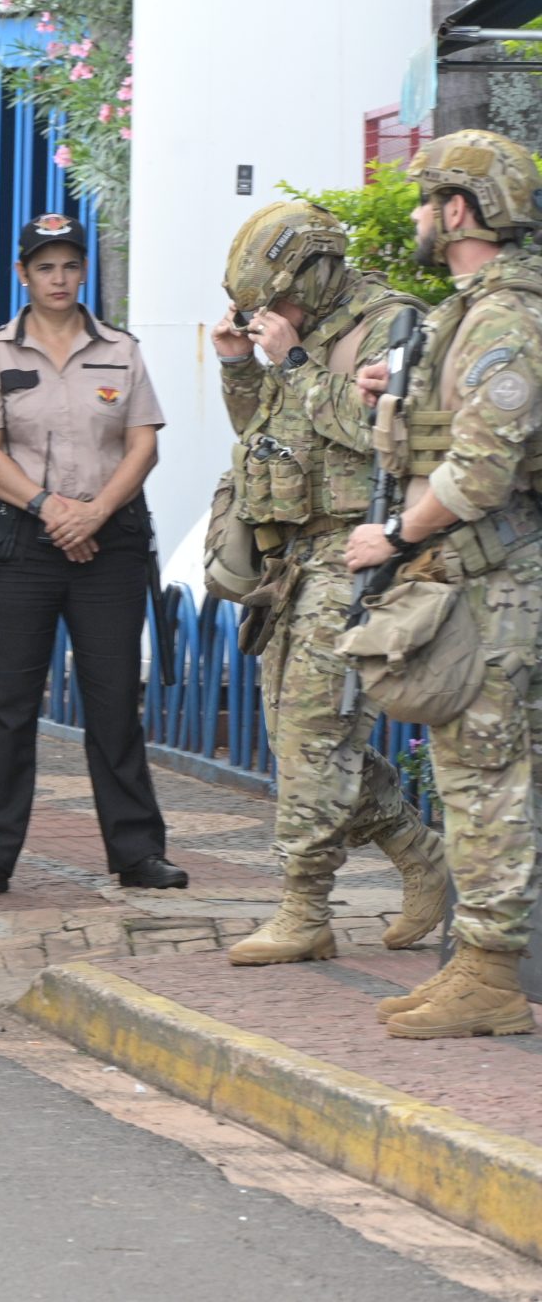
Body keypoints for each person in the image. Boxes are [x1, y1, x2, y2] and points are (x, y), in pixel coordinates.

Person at [344, 130, 542, 1041]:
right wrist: (398, 386)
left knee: (489, 774)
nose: (420, 215)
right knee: (469, 776)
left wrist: (390, 534)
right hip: (473, 577)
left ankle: (494, 972)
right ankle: (476, 959)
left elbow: (482, 469)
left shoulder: (505, 317)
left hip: (496, 582)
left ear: (459, 211)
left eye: (427, 200)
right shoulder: (468, 312)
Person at [214, 202, 448, 966]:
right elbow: (261, 430)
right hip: (292, 562)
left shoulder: (389, 324)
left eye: (275, 300)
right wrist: (240, 365)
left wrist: (291, 363)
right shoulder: (293, 335)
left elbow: (383, 432)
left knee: (316, 735)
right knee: (301, 737)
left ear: (314, 272)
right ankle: (421, 856)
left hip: (356, 555)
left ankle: (304, 906)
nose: (268, 316)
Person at [0, 212, 185, 898]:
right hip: (23, 542)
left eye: (69, 265)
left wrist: (93, 511)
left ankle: (139, 851)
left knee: (115, 701)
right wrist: (50, 508)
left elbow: (143, 443)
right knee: (7, 704)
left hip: (107, 541)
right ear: (22, 273)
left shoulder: (121, 349)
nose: (59, 278)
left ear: (85, 270)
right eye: (45, 266)